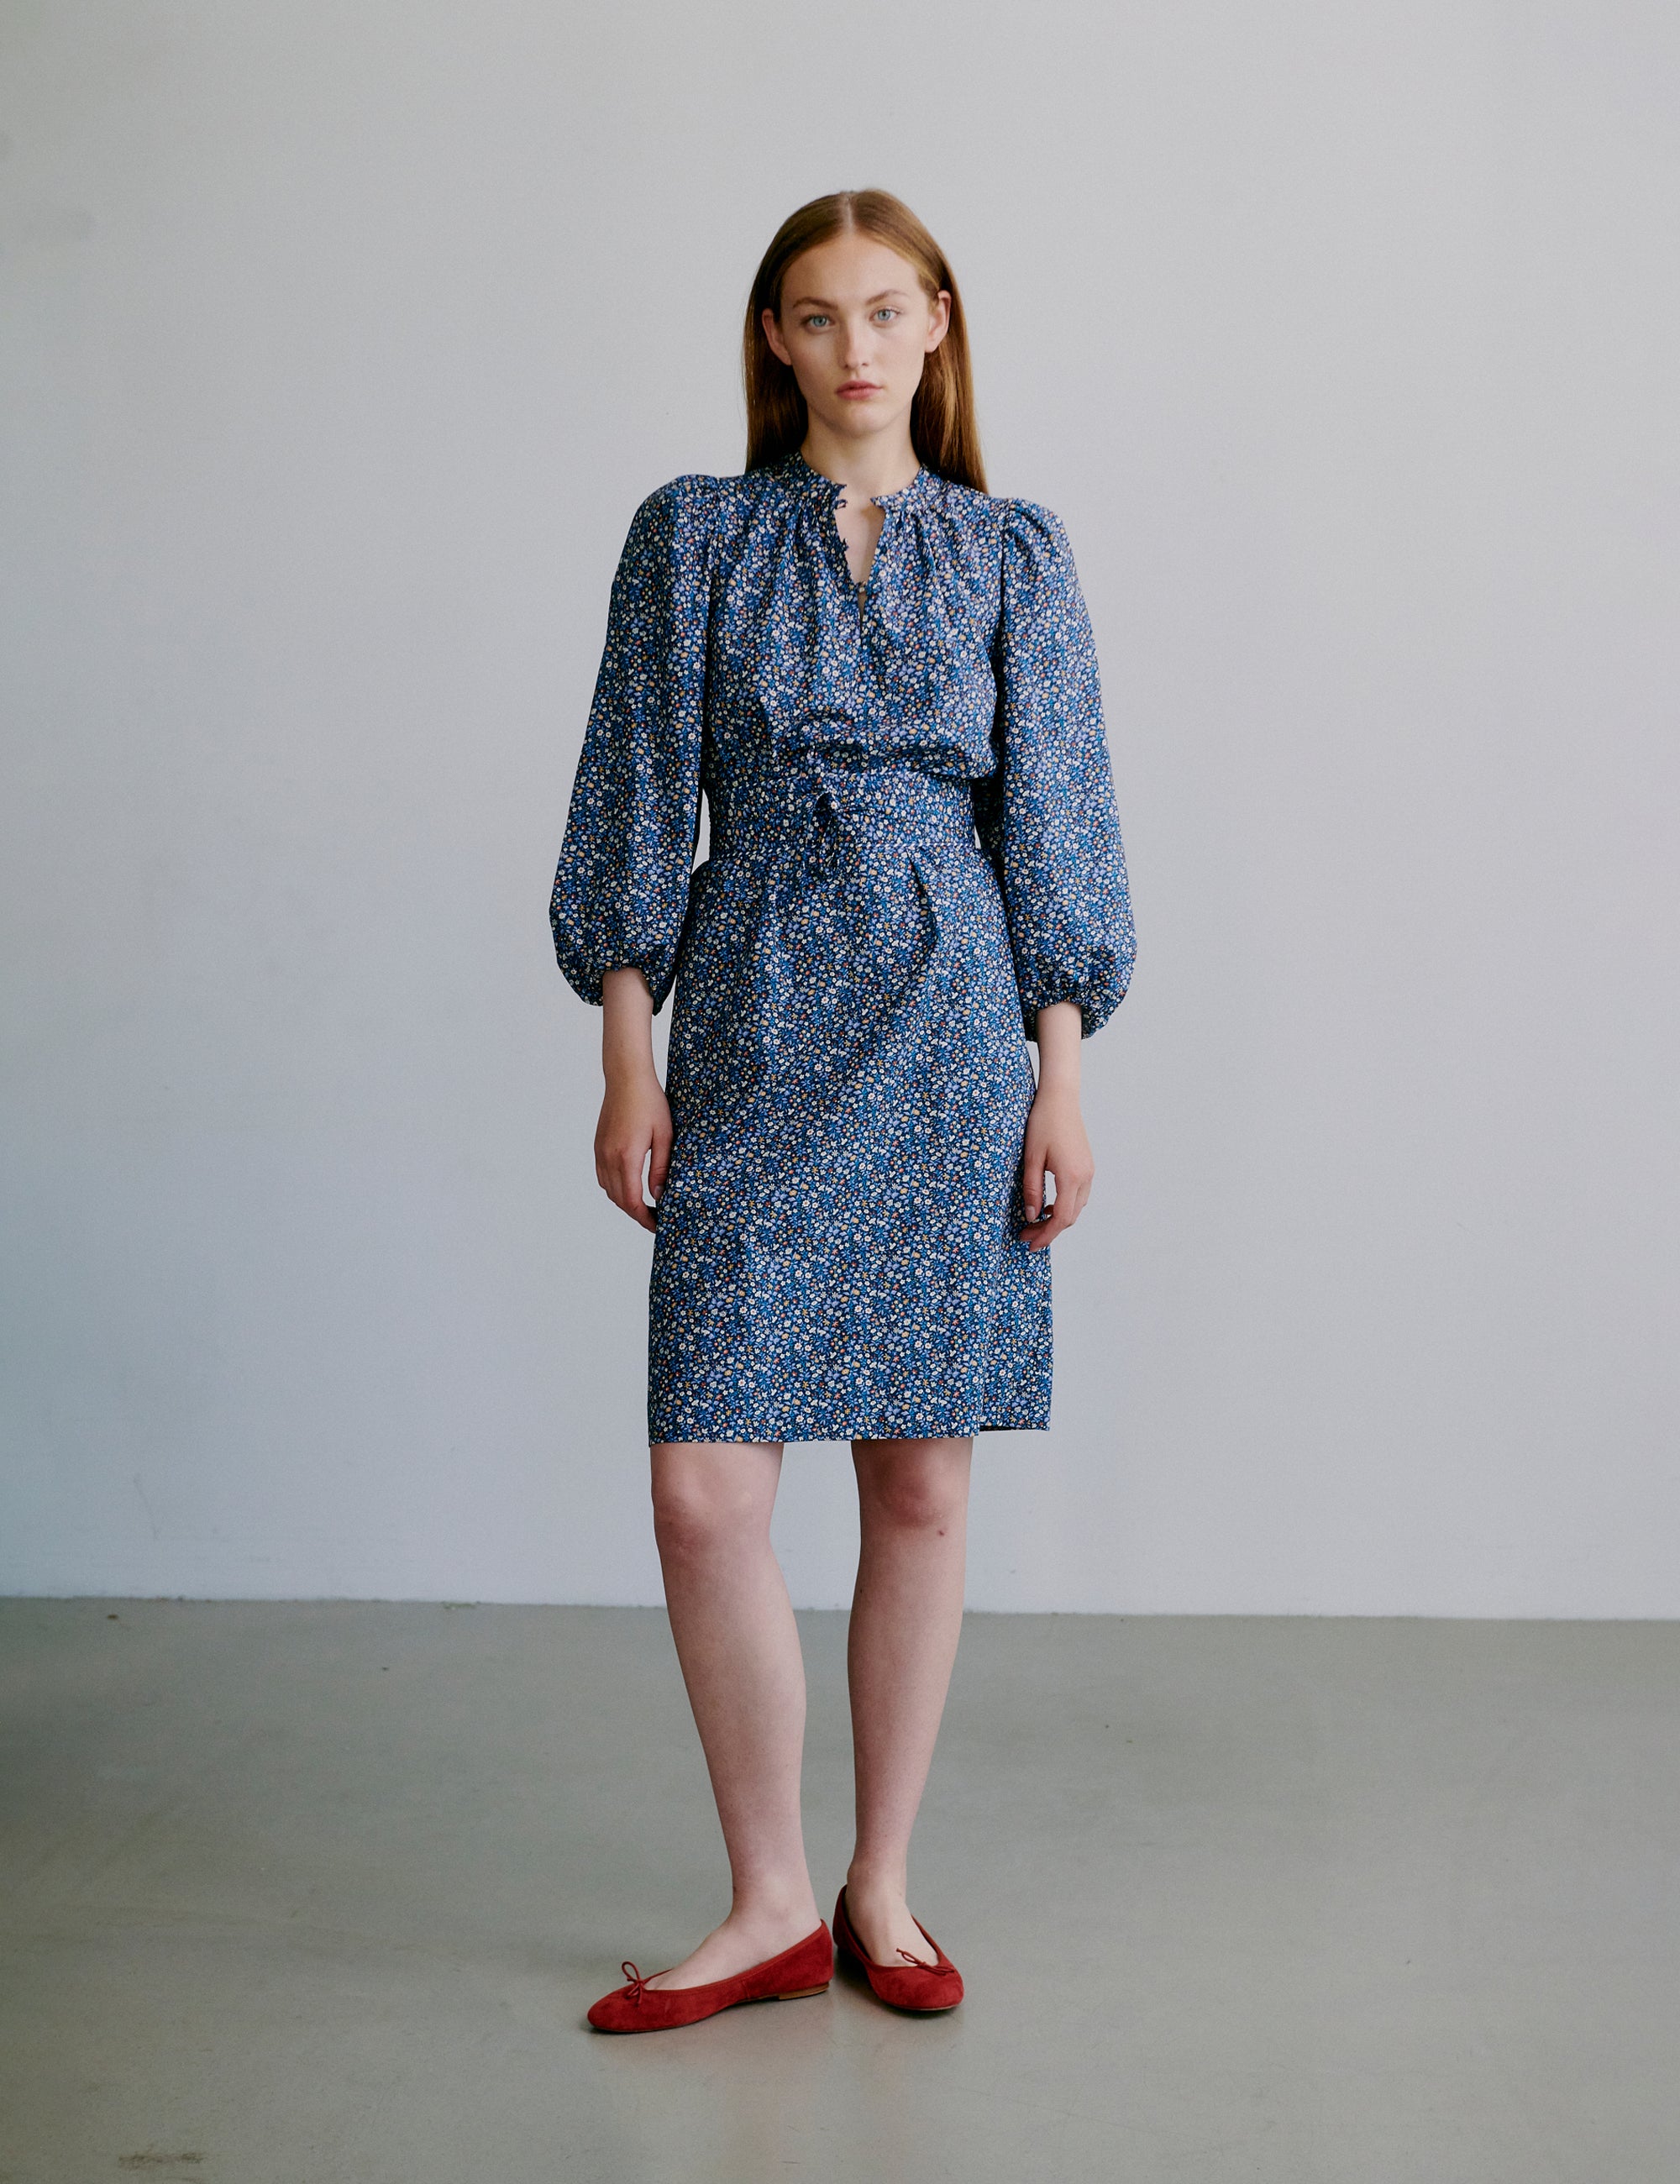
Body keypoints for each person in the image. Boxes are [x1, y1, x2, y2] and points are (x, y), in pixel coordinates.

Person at [550, 188, 1136, 2034]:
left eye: (888, 310)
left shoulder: (1013, 554)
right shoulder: (695, 538)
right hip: (754, 1010)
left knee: (920, 1475)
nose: (857, 345)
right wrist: (625, 1049)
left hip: (956, 1015)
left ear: (939, 325)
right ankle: (765, 1898)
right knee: (703, 1487)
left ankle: (879, 1886)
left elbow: (1056, 822)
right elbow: (638, 791)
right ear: (778, 341)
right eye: (818, 316)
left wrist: (1062, 1075)